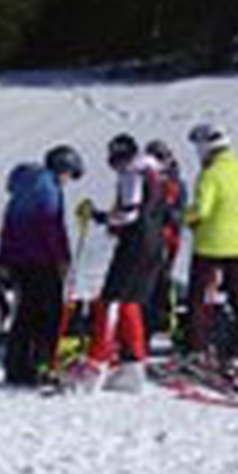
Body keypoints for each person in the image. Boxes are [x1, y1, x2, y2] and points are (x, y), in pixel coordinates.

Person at [75, 133, 164, 382]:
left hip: (135, 243)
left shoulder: (132, 172)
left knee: (110, 299)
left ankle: (96, 363)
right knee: (130, 300)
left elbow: (129, 213)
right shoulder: (153, 172)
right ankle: (133, 364)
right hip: (154, 243)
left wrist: (99, 216)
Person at [184, 122, 238, 366]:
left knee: (198, 298)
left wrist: (186, 217)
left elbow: (201, 209)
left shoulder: (210, 174)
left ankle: (196, 350)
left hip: (209, 244)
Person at [0, 145, 83, 386]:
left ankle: (18, 367)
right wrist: (62, 258)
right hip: (42, 260)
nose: (67, 181)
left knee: (24, 314)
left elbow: (8, 226)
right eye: (68, 174)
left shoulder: (25, 186)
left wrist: (4, 259)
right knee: (48, 314)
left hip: (19, 261)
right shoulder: (48, 188)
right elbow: (51, 227)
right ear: (61, 168)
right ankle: (41, 363)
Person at [145, 140, 187, 338]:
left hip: (166, 237)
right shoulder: (146, 178)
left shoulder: (174, 181)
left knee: (161, 277)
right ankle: (151, 319)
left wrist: (171, 215)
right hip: (149, 237)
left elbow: (180, 211)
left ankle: (163, 318)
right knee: (148, 279)